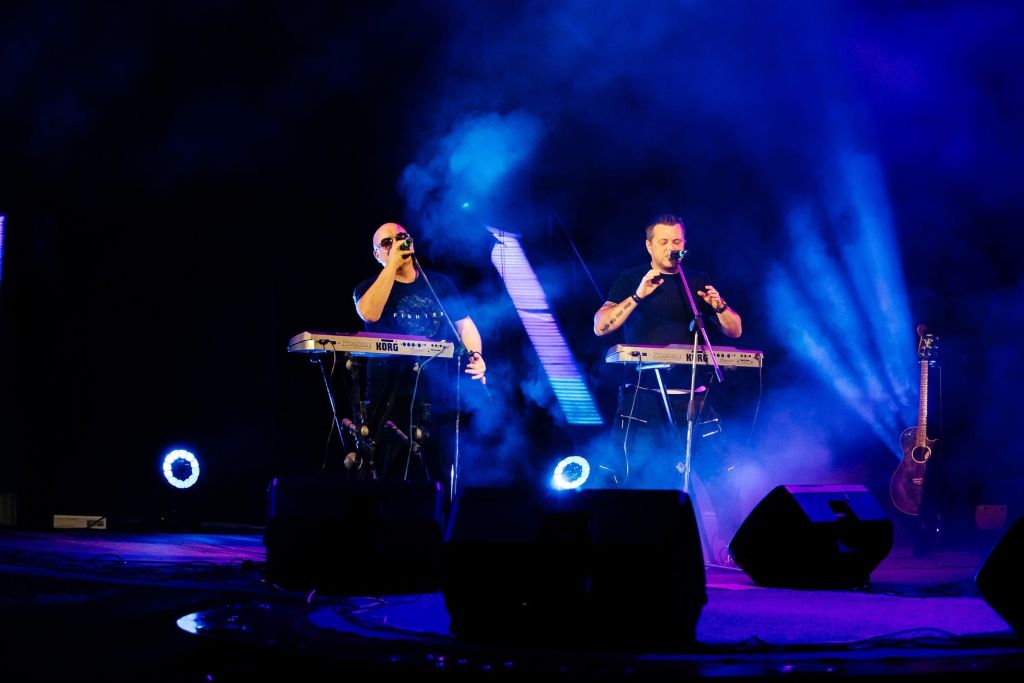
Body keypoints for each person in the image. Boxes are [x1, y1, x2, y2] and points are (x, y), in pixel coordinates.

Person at [593, 214, 744, 552]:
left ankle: (730, 549)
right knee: (636, 473)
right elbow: (601, 326)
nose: (671, 248)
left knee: (722, 473)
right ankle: (631, 549)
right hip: (645, 399)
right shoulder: (631, 278)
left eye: (676, 241)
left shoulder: (696, 280)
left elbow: (735, 330)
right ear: (649, 246)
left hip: (695, 398)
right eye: (663, 242)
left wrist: (719, 307)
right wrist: (637, 296)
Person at [353, 222, 486, 493]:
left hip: (436, 392)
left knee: (439, 467)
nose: (396, 244)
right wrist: (392, 265)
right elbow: (370, 313)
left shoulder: (439, 284)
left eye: (401, 237)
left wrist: (476, 356)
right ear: (377, 254)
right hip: (389, 394)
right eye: (387, 243)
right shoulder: (367, 287)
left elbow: (465, 326)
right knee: (389, 469)